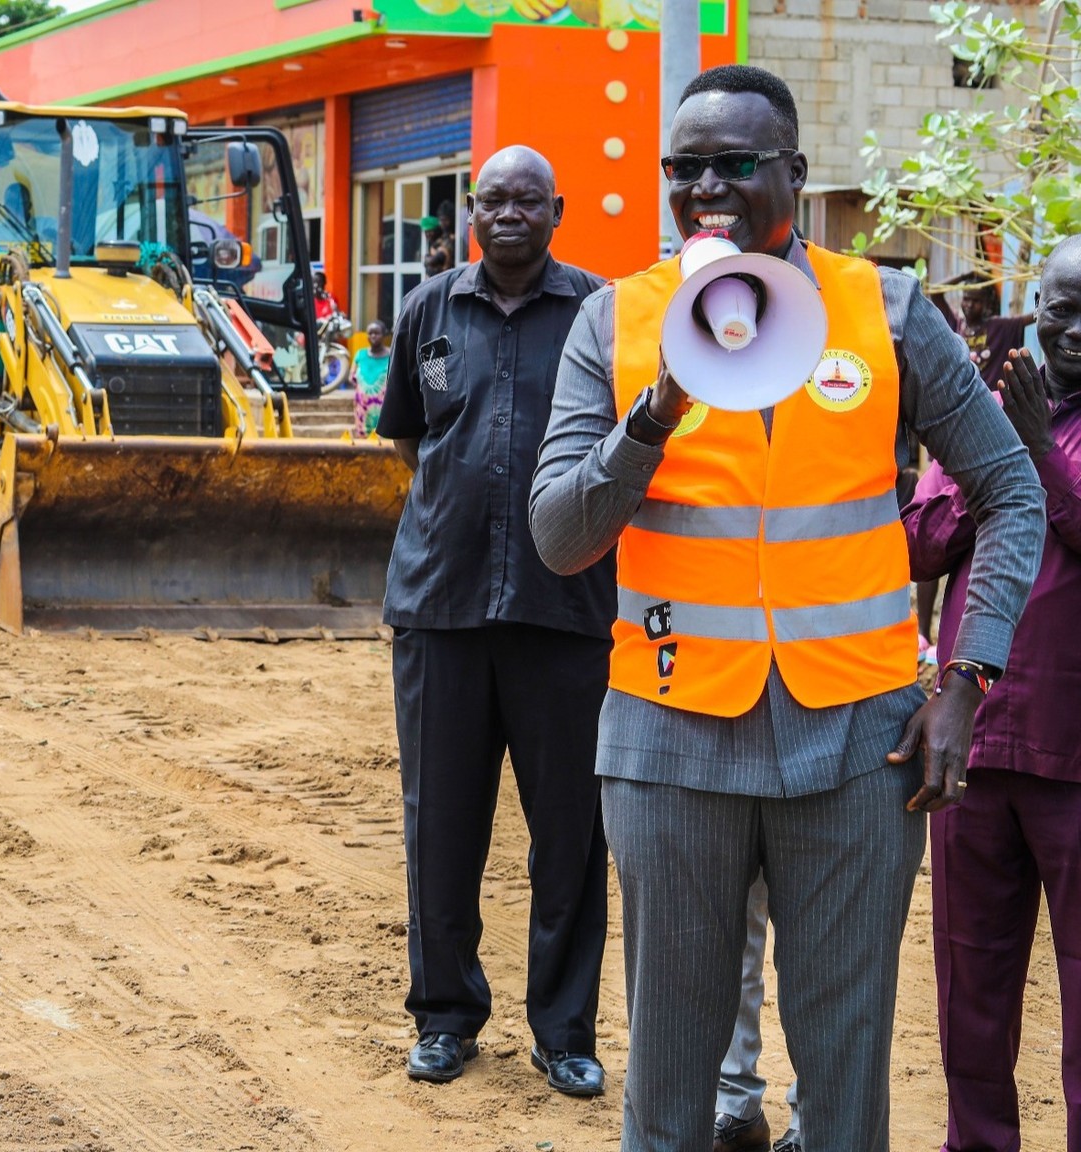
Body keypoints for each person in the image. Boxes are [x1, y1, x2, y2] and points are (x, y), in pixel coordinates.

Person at [529, 64, 1044, 1151]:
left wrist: (965, 683)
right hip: (668, 750)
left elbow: (1010, 493)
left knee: (843, 1082)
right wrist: (652, 412)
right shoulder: (614, 323)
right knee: (666, 1089)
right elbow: (559, 533)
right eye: (684, 168)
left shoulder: (885, 310)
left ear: (796, 175)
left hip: (856, 752)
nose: (705, 186)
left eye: (735, 162)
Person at [376, 145, 615, 1098]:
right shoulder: (427, 311)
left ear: (557, 209)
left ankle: (565, 1033)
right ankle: (445, 1019)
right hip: (443, 606)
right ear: (471, 213)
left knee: (571, 834)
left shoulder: (599, 310)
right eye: (492, 201)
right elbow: (408, 437)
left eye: (527, 200)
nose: (509, 213)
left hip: (568, 614)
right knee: (441, 826)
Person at [905, 242, 1081, 1152]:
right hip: (970, 742)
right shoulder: (986, 412)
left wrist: (1036, 454)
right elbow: (921, 543)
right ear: (1035, 306)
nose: (1076, 328)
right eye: (1061, 308)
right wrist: (997, 458)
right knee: (971, 981)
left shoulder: (1034, 423)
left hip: (1074, 750)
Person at [352, 320, 391, 438]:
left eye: (377, 333)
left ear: (384, 335)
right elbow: (352, 377)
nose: (373, 336)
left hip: (385, 409)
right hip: (363, 409)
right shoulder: (360, 354)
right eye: (370, 333)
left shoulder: (392, 354)